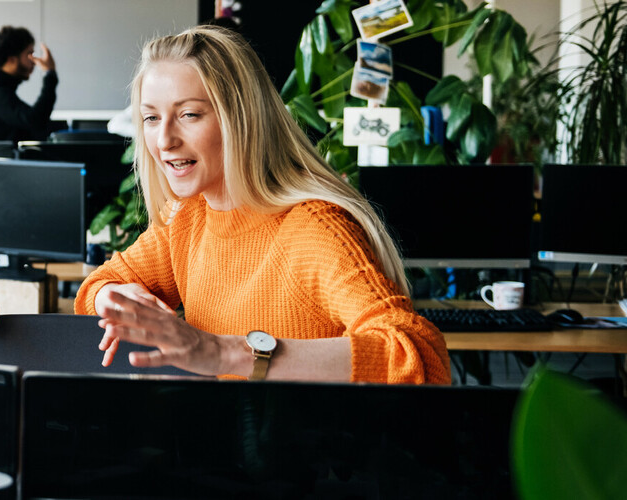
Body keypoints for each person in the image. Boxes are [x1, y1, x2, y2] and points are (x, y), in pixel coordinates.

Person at [76, 26, 449, 384]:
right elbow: (96, 286)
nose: (164, 140)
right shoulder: (188, 219)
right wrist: (117, 297)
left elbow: (417, 354)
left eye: (189, 114)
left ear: (240, 118)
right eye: (151, 118)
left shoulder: (312, 228)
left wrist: (228, 354)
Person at [0, 26, 58, 142]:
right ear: (11, 59)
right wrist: (50, 74)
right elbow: (36, 121)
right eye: (29, 54)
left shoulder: (0, 93)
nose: (34, 61)